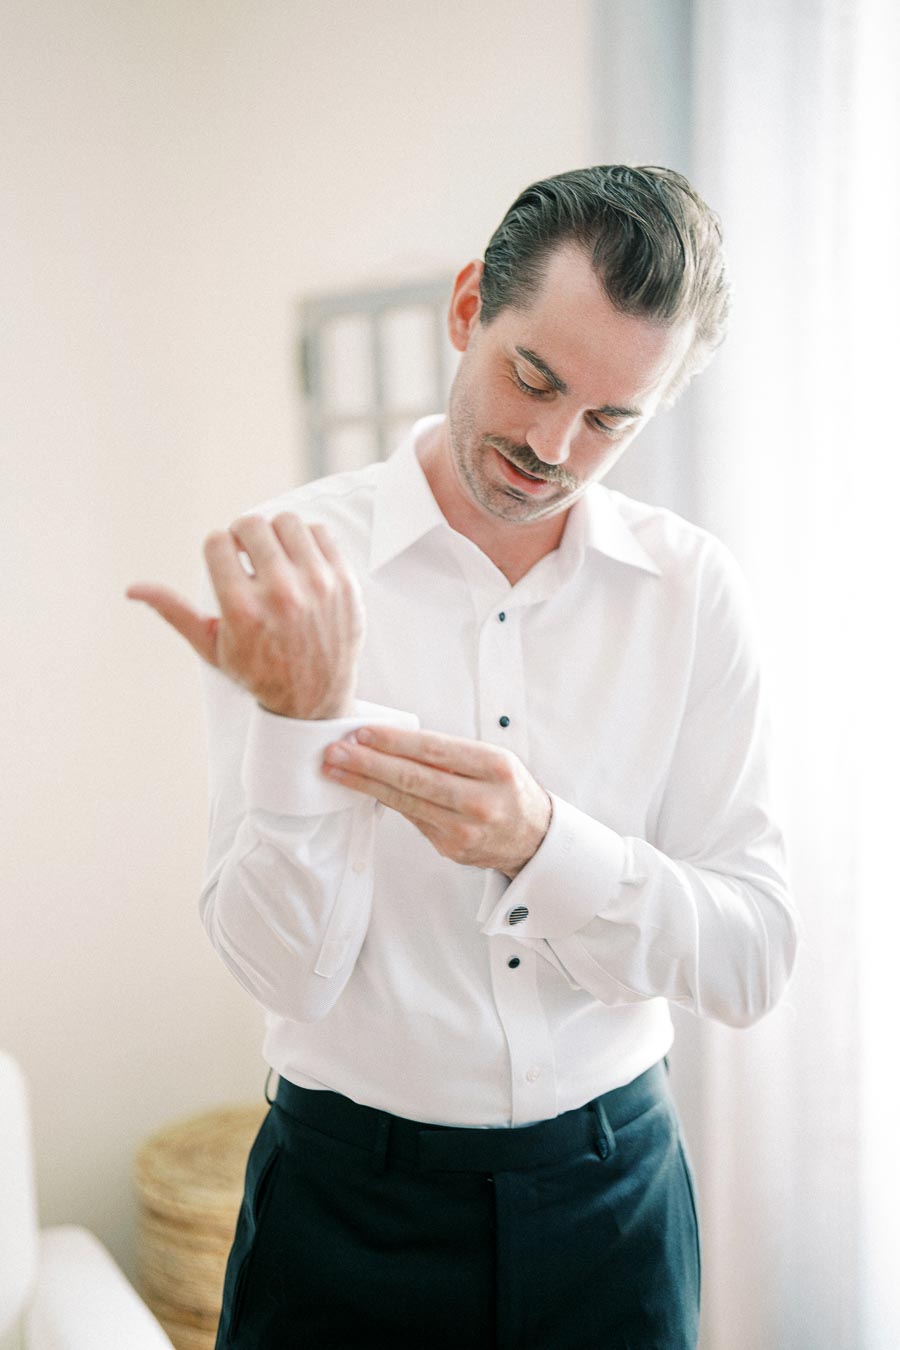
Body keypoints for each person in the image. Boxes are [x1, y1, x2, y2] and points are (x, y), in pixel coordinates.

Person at [128, 165, 798, 1349]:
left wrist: (547, 845)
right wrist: (300, 718)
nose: (551, 444)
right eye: (532, 377)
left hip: (614, 1209)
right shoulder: (299, 575)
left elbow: (751, 960)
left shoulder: (697, 597)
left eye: (610, 420)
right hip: (344, 1209)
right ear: (467, 307)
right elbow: (283, 978)